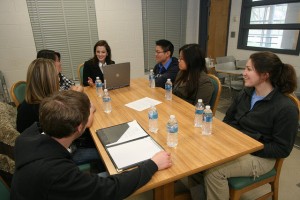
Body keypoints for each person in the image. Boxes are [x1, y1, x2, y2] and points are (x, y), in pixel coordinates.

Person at [11, 90, 172, 200]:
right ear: (80, 127)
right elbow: (111, 190)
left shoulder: (30, 135)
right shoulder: (57, 173)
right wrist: (153, 164)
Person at [191, 51, 298, 200]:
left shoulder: (285, 107)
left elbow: (282, 149)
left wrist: (247, 147)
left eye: (249, 69)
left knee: (214, 171)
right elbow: (228, 121)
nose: (244, 73)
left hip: (262, 156)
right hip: (236, 145)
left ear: (265, 75)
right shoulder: (246, 93)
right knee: (196, 154)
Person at [16, 58, 59, 133]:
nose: (59, 79)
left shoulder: (36, 103)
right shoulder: (42, 109)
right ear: (48, 82)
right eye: (57, 76)